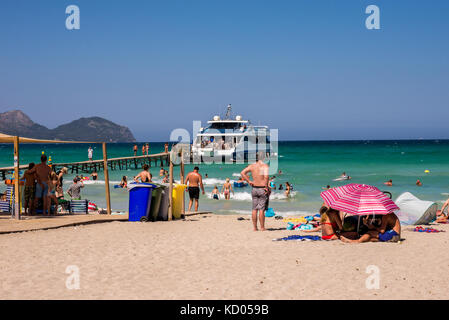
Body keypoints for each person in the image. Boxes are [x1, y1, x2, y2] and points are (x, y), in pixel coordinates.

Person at [240, 152, 270, 231]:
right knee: (261, 209)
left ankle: (255, 228)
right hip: (262, 188)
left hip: (254, 189)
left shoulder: (252, 166)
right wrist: (266, 187)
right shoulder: (265, 166)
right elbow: (266, 177)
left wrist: (249, 181)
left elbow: (242, 173)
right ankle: (262, 227)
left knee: (254, 209)